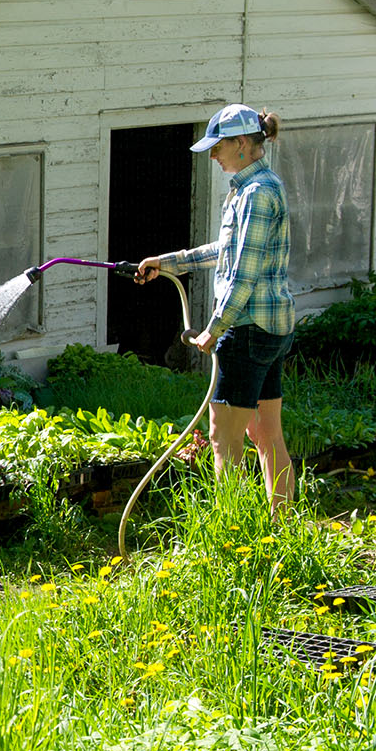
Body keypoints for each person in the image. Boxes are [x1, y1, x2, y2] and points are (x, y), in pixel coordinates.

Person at [135, 103, 296, 507]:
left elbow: (244, 273)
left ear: (241, 143)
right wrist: (166, 262)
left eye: (217, 147)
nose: (212, 156)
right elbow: (225, 251)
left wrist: (215, 328)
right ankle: (281, 524)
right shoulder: (255, 187)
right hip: (271, 328)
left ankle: (232, 529)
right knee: (265, 433)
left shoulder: (256, 194)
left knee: (223, 437)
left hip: (248, 330)